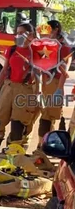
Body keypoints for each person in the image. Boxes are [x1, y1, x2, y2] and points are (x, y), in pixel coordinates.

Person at [0, 22, 38, 152]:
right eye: (17, 33)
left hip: (25, 90)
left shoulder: (37, 52)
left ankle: (13, 149)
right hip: (8, 87)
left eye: (22, 33)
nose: (18, 36)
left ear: (31, 35)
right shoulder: (12, 49)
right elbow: (4, 70)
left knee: (18, 124)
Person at [23, 20, 73, 150]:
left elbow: (65, 69)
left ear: (55, 30)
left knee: (47, 118)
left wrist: (60, 88)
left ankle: (42, 147)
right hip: (40, 82)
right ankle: (22, 144)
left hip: (53, 84)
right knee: (29, 114)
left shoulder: (64, 46)